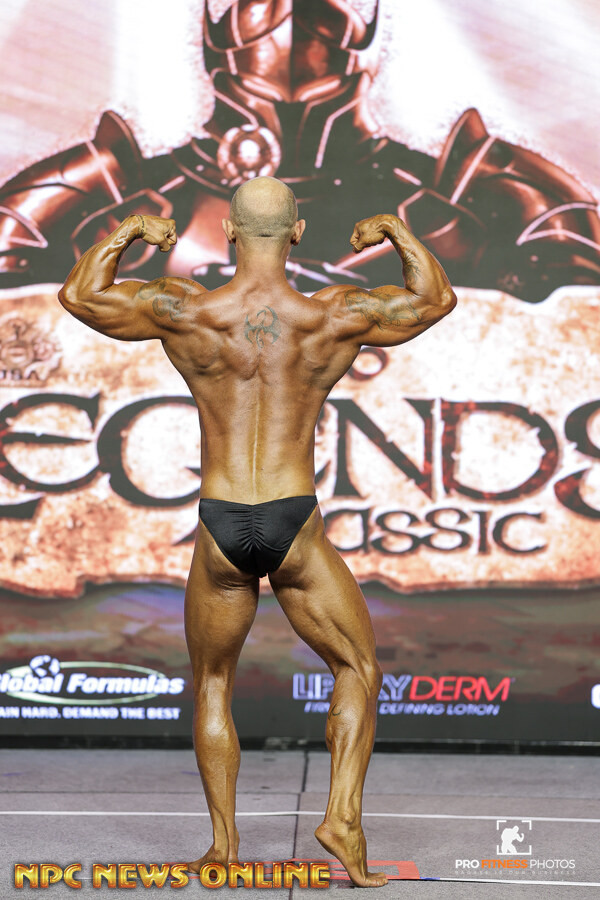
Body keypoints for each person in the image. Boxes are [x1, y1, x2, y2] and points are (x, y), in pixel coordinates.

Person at [58, 175, 456, 888]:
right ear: (297, 233)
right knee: (358, 669)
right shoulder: (331, 315)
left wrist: (131, 232)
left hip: (219, 523)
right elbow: (434, 300)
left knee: (214, 682)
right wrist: (396, 231)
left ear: (230, 232)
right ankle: (342, 818)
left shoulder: (186, 309)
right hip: (292, 520)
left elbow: (82, 296)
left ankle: (222, 847)